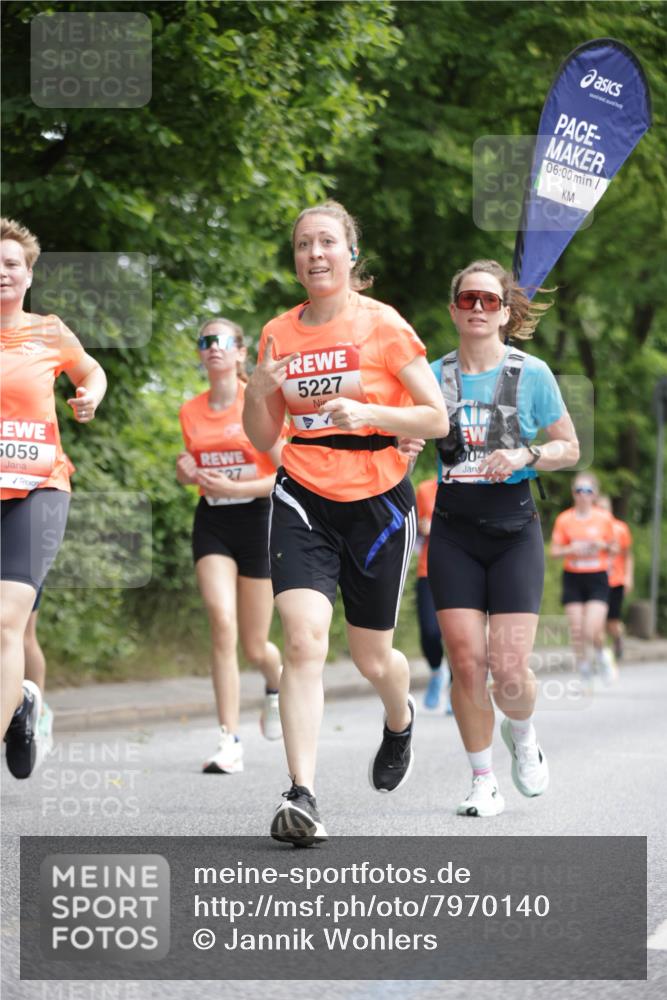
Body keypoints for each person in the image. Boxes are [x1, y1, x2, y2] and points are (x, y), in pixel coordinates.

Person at [242, 200, 448, 845]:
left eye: (327, 241)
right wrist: (255, 393)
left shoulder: (383, 325)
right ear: (297, 259)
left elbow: (436, 418)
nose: (315, 253)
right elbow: (263, 434)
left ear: (351, 254)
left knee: (372, 656)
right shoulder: (278, 331)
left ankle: (399, 715)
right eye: (304, 244)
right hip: (302, 491)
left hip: (379, 501)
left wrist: (371, 416)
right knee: (303, 640)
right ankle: (301, 794)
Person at [427, 259, 579, 818]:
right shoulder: (433, 375)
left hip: (515, 530)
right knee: (466, 662)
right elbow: (403, 440)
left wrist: (525, 453)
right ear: (453, 309)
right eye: (467, 299)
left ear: (504, 313)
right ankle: (482, 780)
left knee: (509, 668)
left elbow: (570, 448)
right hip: (452, 531)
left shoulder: (531, 373)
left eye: (488, 301)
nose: (476, 309)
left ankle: (524, 731)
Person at [1, 216, 106, 778]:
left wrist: (89, 393)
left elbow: (92, 371)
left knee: (6, 620)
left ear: (28, 273)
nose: (2, 273)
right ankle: (19, 703)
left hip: (39, 488)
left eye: (12, 264)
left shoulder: (49, 331)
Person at [177, 318, 284, 774]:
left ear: (241, 352)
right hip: (213, 522)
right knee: (222, 623)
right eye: (206, 341)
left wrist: (239, 487)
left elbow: (284, 475)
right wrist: (185, 472)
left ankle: (275, 688)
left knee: (256, 646)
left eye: (222, 341)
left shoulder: (256, 401)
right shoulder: (190, 411)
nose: (213, 348)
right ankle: (228, 739)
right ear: (201, 354)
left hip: (258, 520)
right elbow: (193, 469)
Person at [551, 474, 617, 686]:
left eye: (587, 490)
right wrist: (571, 548)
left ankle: (601, 653)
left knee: (591, 630)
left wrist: (602, 546)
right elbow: (554, 551)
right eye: (579, 490)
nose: (583, 495)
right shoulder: (564, 519)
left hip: (597, 577)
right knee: (578, 630)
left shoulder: (604, 518)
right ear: (573, 493)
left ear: (594, 494)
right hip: (573, 577)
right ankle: (585, 671)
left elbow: (617, 548)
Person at [414, 476, 452, 713]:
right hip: (428, 569)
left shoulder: (469, 485)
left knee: (456, 636)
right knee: (430, 631)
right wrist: (422, 527)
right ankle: (437, 671)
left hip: (461, 570)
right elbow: (416, 530)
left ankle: (456, 692)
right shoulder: (424, 489)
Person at [597, 494, 633, 661]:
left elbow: (628, 555)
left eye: (605, 508)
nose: (602, 512)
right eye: (599, 508)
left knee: (612, 622)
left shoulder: (620, 528)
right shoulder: (592, 528)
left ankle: (618, 637)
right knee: (597, 621)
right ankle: (602, 655)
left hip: (616, 580)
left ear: (610, 509)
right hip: (597, 579)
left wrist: (628, 577)